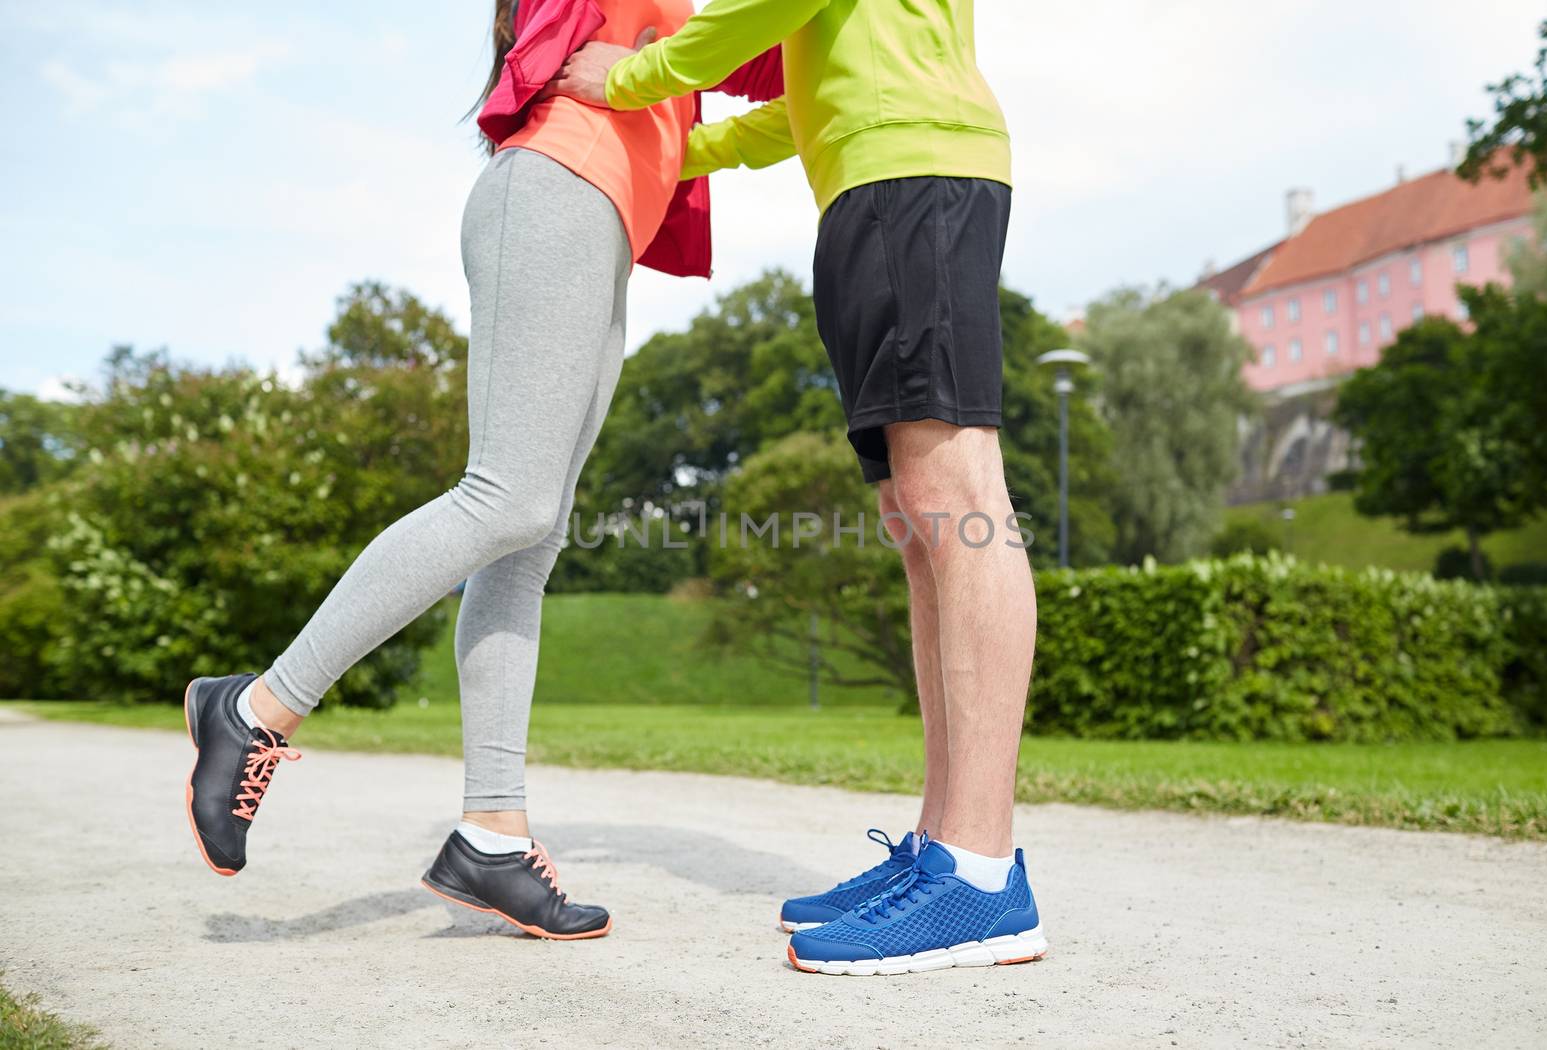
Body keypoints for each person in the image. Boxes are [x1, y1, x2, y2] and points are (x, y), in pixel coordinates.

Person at [181, 0, 777, 942]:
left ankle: (491, 837)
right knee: (506, 496)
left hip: (603, 220)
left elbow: (762, 59)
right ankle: (255, 707)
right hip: (555, 190)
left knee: (529, 541)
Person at [547, 0, 1047, 976]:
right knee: (916, 513)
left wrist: (635, 79)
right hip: (877, 177)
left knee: (957, 496)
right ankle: (943, 850)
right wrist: (688, 154)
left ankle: (980, 878)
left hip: (916, 175)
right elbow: (805, 100)